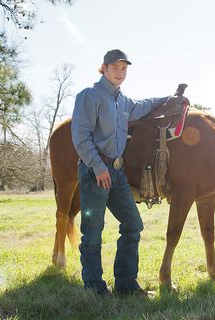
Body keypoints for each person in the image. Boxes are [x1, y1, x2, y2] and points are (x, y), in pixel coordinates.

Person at [71, 49, 169, 296]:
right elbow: (80, 136)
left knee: (133, 224)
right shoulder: (89, 96)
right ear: (103, 68)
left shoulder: (123, 101)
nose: (120, 72)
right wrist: (98, 167)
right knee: (93, 232)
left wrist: (168, 98)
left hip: (117, 172)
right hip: (96, 173)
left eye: (124, 68)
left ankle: (126, 284)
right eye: (115, 67)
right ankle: (94, 289)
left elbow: (144, 105)